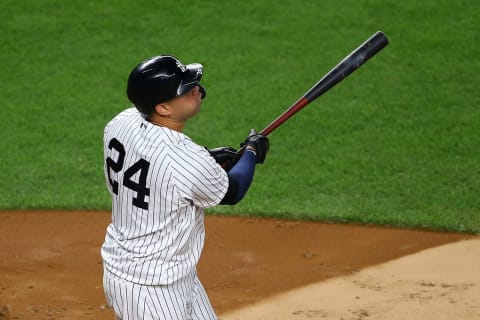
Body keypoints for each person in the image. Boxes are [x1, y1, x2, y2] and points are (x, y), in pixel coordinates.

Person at [101, 55, 269, 320]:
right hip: (149, 290)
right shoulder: (183, 159)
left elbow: (157, 163)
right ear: (163, 108)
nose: (196, 89)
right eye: (185, 89)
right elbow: (233, 190)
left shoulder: (122, 122)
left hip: (164, 273)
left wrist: (208, 158)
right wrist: (250, 152)